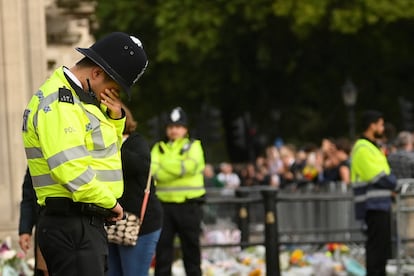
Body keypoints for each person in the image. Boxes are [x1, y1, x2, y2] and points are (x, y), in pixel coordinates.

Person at [21, 32, 148, 275]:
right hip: (72, 223)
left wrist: (115, 121)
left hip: (80, 222)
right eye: (112, 88)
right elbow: (71, 169)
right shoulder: (62, 102)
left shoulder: (79, 101)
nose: (112, 96)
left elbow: (101, 154)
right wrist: (110, 204)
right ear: (97, 73)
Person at [108, 105, 163, 276]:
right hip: (112, 223)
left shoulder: (136, 142)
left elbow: (138, 166)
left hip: (140, 225)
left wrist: (110, 147)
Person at [151, 106, 206, 276]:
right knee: (163, 252)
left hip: (189, 205)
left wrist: (165, 168)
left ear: (185, 129)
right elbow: (153, 171)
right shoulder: (158, 147)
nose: (174, 130)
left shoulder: (194, 146)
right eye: (170, 126)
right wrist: (178, 166)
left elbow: (189, 167)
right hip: (164, 206)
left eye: (178, 126)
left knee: (191, 251)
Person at [350, 110, 398, 276]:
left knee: (381, 249)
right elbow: (379, 176)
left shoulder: (372, 147)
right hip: (372, 204)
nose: (382, 128)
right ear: (372, 125)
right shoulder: (363, 147)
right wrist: (393, 182)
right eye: (380, 124)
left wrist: (391, 179)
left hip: (380, 203)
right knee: (376, 250)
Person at [18, 168, 48, 276]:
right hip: (45, 228)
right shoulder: (36, 156)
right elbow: (28, 197)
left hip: (74, 225)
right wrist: (25, 230)